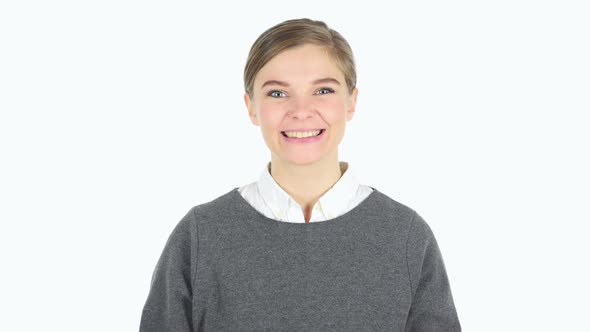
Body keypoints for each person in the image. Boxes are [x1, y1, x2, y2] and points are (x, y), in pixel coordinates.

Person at [139, 18, 461, 331]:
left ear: (352, 102)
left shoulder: (406, 237)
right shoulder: (200, 237)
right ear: (251, 107)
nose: (301, 110)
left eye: (323, 90)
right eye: (278, 93)